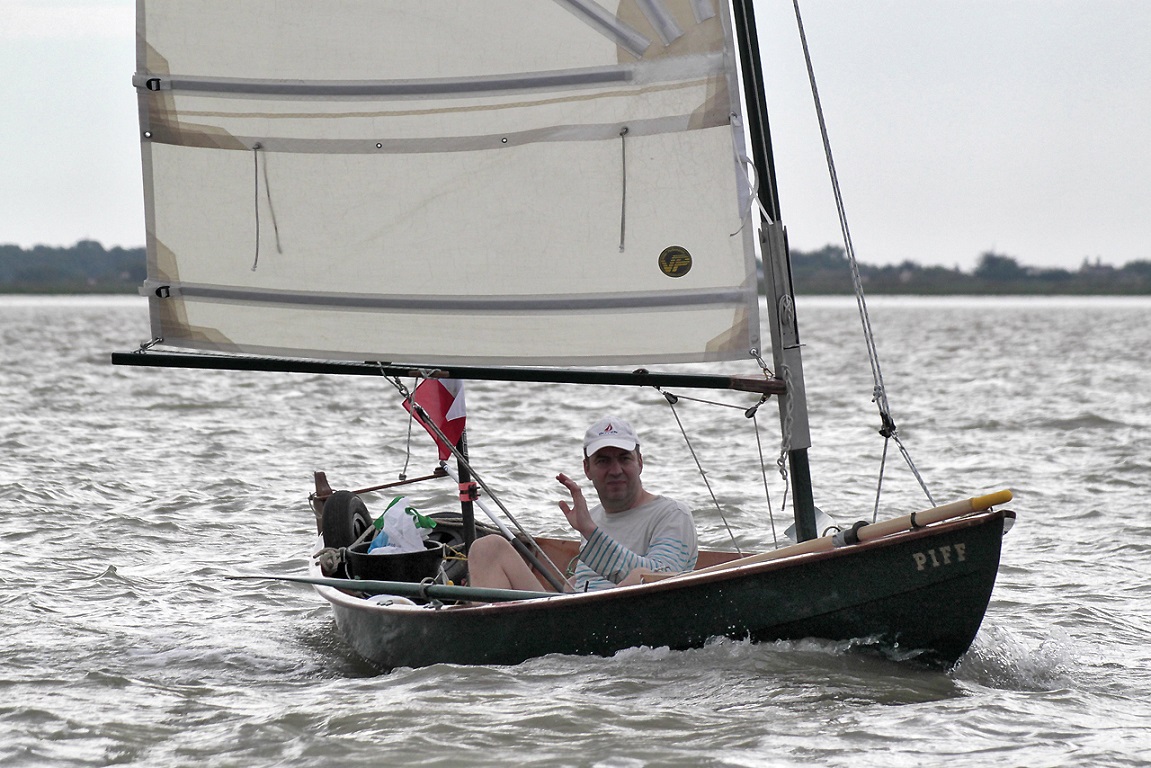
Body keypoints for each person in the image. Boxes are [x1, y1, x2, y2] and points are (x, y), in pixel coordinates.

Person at [467, 417, 697, 592]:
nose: (615, 470)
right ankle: (487, 637)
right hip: (571, 621)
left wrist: (590, 532)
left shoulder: (673, 514)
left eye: (624, 458)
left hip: (623, 624)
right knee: (487, 547)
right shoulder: (593, 517)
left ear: (640, 462)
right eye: (603, 461)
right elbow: (585, 583)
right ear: (587, 469)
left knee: (641, 575)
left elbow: (661, 579)